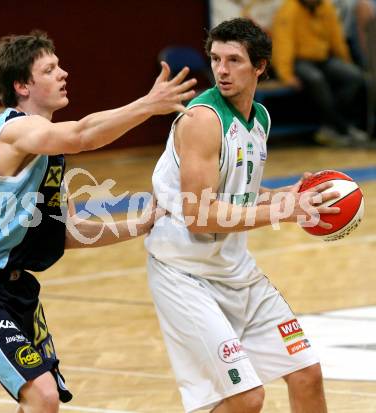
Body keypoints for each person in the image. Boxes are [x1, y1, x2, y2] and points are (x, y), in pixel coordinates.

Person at [0, 30, 196, 413]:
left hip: (17, 289)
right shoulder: (12, 131)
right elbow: (83, 133)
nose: (63, 74)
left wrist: (139, 224)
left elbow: (70, 232)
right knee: (43, 395)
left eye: (59, 66)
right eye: (50, 69)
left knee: (42, 402)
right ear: (22, 85)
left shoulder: (49, 151)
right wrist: (146, 104)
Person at [145, 18, 341, 413]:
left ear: (260, 66)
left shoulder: (260, 119)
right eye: (216, 58)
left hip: (236, 271)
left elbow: (239, 195)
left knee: (307, 373)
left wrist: (288, 194)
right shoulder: (202, 120)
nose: (221, 69)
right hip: (185, 275)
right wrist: (285, 211)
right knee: (246, 399)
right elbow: (200, 215)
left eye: (234, 60)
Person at [272, 0, 370, 147]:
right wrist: (286, 75)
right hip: (298, 60)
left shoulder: (326, 7)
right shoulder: (289, 9)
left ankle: (331, 127)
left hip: (324, 58)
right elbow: (282, 44)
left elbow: (337, 39)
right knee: (315, 79)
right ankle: (341, 128)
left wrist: (346, 62)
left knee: (353, 76)